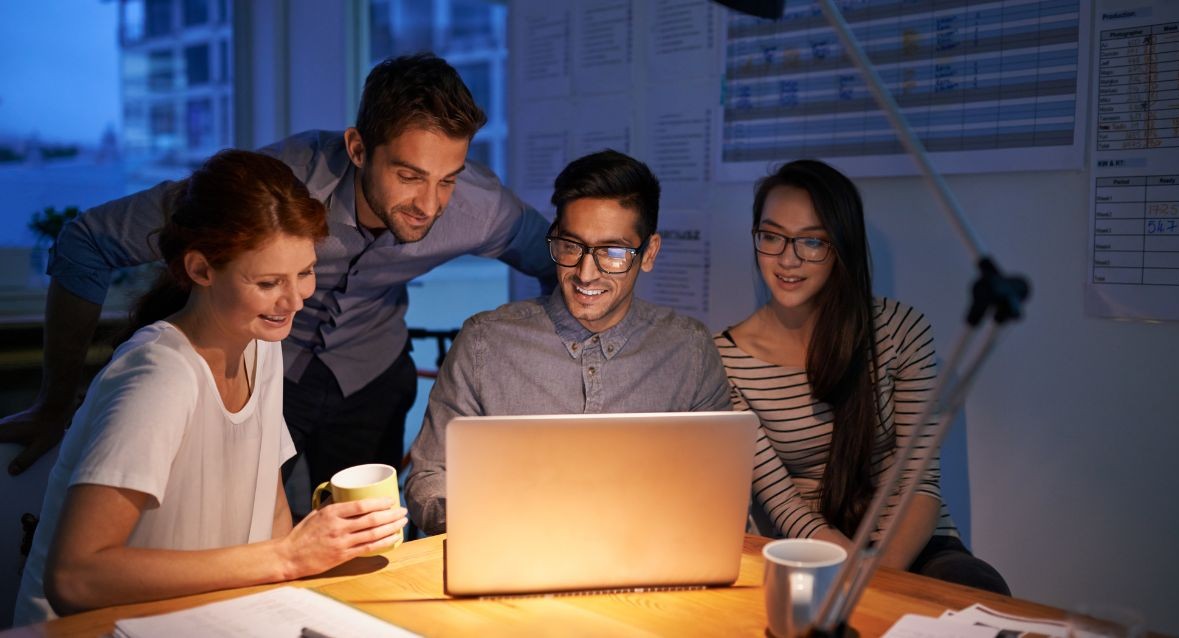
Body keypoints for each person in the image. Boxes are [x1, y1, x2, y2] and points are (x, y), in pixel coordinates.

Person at [0, 54, 556, 500]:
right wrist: (55, 401)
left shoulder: (480, 207)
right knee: (247, 535)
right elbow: (86, 242)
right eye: (409, 175)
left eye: (448, 179)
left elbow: (567, 263)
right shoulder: (277, 185)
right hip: (261, 370)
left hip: (371, 376)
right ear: (358, 148)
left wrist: (537, 387)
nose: (430, 204)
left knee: (366, 545)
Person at [12, 150, 406, 624]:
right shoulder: (159, 376)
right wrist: (287, 557)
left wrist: (302, 562)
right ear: (200, 270)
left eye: (304, 272)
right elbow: (76, 577)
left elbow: (269, 510)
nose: (295, 299)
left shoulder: (260, 345)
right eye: (267, 282)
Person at [715, 159, 1010, 594]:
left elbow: (918, 480)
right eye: (771, 237)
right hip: (808, 547)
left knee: (977, 588)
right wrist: (847, 569)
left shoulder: (900, 330)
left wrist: (878, 577)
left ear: (841, 245)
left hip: (909, 544)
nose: (787, 259)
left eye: (812, 241)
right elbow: (782, 501)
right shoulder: (726, 358)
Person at [405, 150, 732, 535]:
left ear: (649, 253)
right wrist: (489, 529)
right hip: (513, 561)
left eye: (612, 252)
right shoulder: (485, 343)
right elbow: (428, 477)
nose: (585, 273)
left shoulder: (688, 350)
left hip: (642, 568)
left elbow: (717, 490)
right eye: (571, 245)